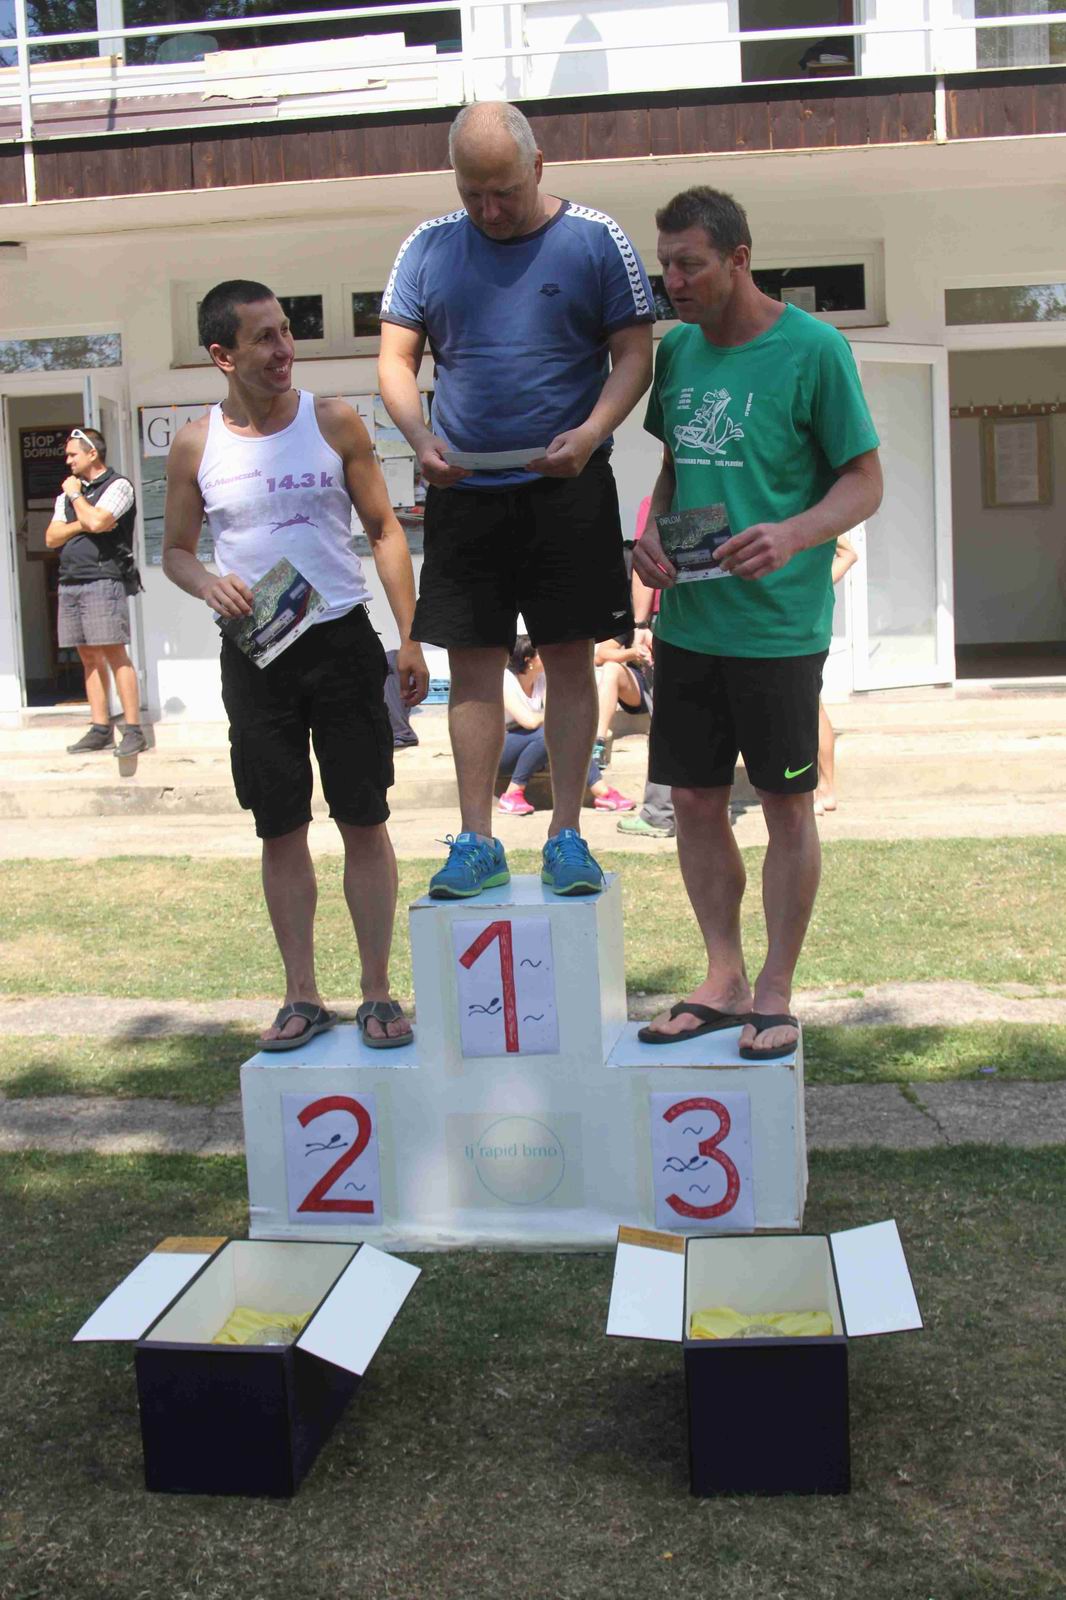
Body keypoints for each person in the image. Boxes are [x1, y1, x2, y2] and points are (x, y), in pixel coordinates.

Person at [378, 99, 654, 899]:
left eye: (504, 191)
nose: (490, 211)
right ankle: (476, 840)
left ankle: (567, 834)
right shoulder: (428, 248)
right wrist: (418, 437)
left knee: (570, 660)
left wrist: (593, 430)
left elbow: (636, 354)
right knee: (472, 666)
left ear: (538, 166)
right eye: (473, 194)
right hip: (466, 489)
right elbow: (395, 361)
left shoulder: (595, 239)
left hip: (568, 487)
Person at [633, 188, 882, 1061]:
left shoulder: (814, 349)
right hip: (690, 622)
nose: (674, 282)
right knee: (694, 801)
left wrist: (794, 533)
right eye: (666, 266)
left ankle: (774, 987)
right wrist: (650, 534)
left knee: (785, 804)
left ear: (740, 258)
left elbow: (864, 481)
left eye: (690, 264)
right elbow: (676, 464)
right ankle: (723, 978)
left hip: (777, 627)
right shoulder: (678, 353)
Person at [162, 279, 428, 1051]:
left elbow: (384, 530)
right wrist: (206, 582)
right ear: (223, 356)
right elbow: (175, 551)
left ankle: (377, 992)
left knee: (364, 818)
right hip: (257, 655)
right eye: (266, 338)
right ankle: (301, 996)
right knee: (280, 826)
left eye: (286, 332)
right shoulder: (195, 445)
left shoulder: (333, 420)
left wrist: (410, 637)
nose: (285, 350)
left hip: (341, 643)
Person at [45, 426, 146, 757]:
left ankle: (133, 730)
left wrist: (77, 500)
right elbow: (51, 537)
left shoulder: (117, 485)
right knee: (87, 656)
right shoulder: (66, 494)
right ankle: (100, 728)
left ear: (93, 453)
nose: (68, 461)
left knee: (115, 653)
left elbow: (101, 521)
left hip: (104, 578)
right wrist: (81, 521)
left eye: (72, 454)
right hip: (70, 580)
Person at [498, 636, 634, 815]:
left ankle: (603, 793)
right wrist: (556, 718)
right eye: (541, 653)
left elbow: (556, 712)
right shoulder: (506, 680)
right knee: (550, 732)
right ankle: (511, 794)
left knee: (566, 731)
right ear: (528, 661)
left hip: (530, 742)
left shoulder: (541, 678)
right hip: (502, 749)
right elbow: (528, 721)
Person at [815, 534, 859, 815]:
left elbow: (848, 553)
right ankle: (824, 789)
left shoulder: (808, 512)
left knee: (810, 706)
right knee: (811, 706)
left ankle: (825, 788)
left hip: (801, 623)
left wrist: (815, 587)